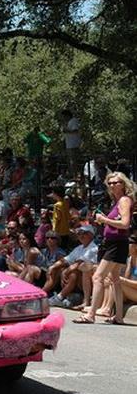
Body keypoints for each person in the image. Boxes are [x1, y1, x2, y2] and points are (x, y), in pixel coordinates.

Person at [74, 172, 135, 324]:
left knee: (98, 277)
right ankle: (119, 316)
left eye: (117, 182)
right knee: (114, 279)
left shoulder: (124, 201)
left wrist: (104, 219)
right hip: (114, 243)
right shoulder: (117, 201)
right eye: (111, 183)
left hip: (116, 243)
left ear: (124, 184)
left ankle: (90, 314)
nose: (113, 185)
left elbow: (125, 224)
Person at [49, 225, 98, 307]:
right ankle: (54, 294)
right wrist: (53, 267)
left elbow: (78, 263)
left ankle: (59, 297)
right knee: (58, 268)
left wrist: (67, 271)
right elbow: (66, 259)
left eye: (84, 233)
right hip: (80, 281)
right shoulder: (79, 248)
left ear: (91, 235)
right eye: (79, 233)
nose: (81, 236)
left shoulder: (93, 248)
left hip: (89, 282)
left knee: (73, 272)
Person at [61, 108, 81, 176]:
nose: (63, 118)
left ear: (67, 115)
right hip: (69, 145)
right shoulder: (68, 122)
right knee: (70, 162)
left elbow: (75, 130)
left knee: (73, 162)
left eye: (63, 116)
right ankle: (72, 175)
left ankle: (76, 176)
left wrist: (66, 130)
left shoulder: (74, 121)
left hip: (73, 145)